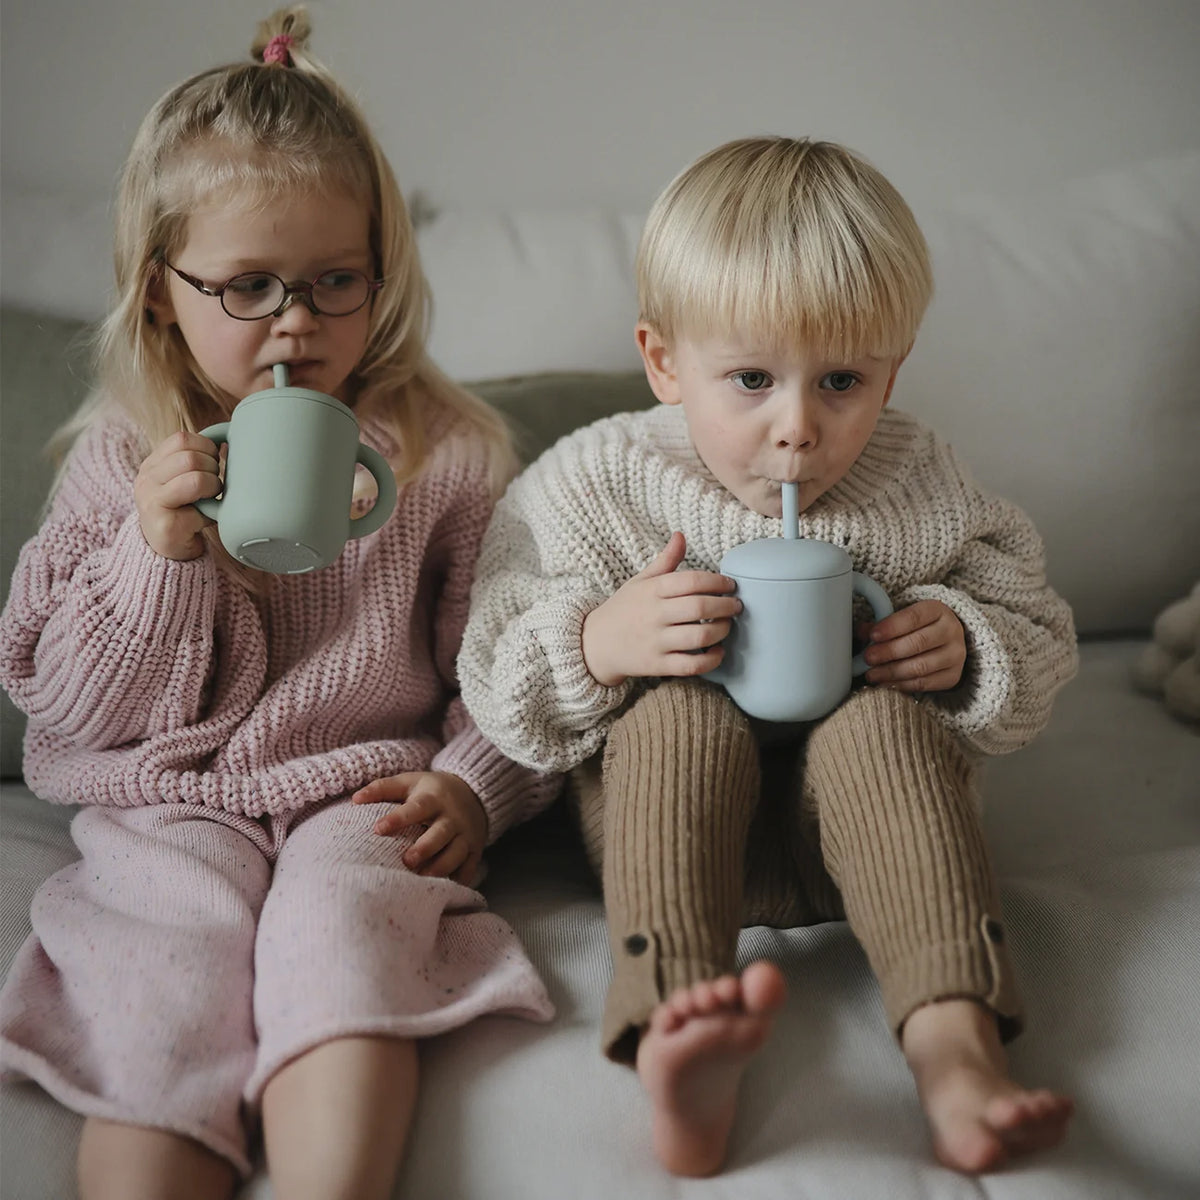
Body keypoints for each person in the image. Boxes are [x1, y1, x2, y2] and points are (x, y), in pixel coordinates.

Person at [0, 9, 559, 1198]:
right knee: (162, 967)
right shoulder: (120, 456)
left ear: (379, 274)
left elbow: (518, 661)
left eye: (331, 282)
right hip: (168, 796)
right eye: (247, 287)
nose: (295, 323)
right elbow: (59, 696)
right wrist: (159, 553)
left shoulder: (447, 457)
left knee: (347, 929)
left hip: (359, 782)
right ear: (161, 293)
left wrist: (477, 786)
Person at [459, 136, 1078, 1178]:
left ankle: (957, 1052)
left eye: (843, 379)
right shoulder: (596, 484)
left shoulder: (918, 480)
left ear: (895, 365)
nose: (798, 430)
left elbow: (1039, 626)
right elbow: (492, 672)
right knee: (674, 712)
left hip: (867, 844)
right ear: (663, 361)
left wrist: (963, 644)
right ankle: (677, 1037)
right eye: (749, 379)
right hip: (685, 835)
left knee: (880, 717)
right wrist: (599, 641)